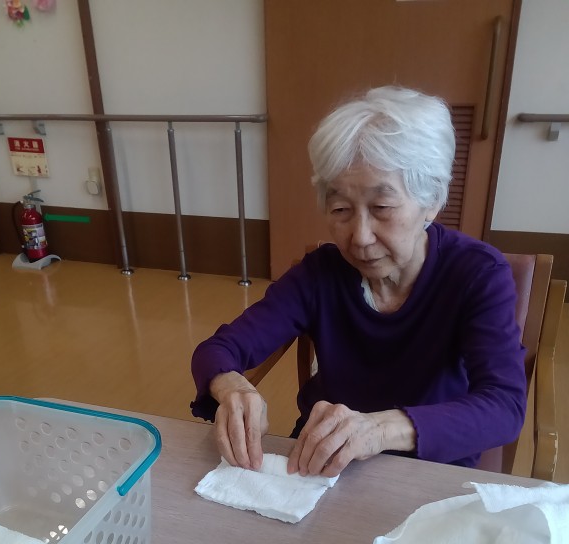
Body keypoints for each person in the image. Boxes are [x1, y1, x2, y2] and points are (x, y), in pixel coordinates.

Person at [190, 86, 526, 478]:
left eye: (382, 207)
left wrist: (380, 429)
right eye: (340, 209)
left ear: (432, 200)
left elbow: (504, 405)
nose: (361, 237)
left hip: (429, 469)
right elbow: (218, 349)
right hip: (323, 461)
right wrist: (233, 387)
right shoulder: (321, 273)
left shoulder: (477, 273)